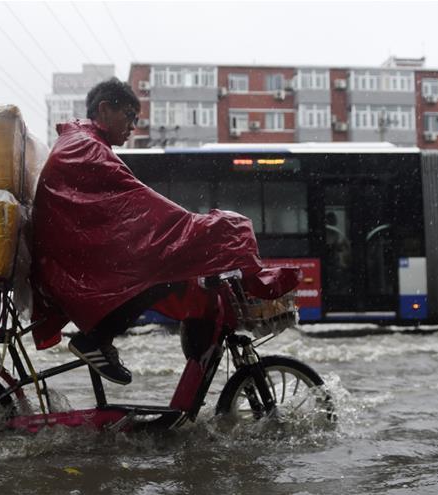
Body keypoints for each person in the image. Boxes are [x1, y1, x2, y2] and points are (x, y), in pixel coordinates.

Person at [30, 78, 299, 385]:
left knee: (170, 273)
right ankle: (95, 340)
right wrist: (204, 229)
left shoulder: (84, 143)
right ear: (105, 110)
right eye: (130, 116)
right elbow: (142, 207)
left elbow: (134, 206)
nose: (133, 126)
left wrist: (192, 230)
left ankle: (106, 341)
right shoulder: (87, 149)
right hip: (71, 263)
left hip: (73, 258)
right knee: (162, 278)